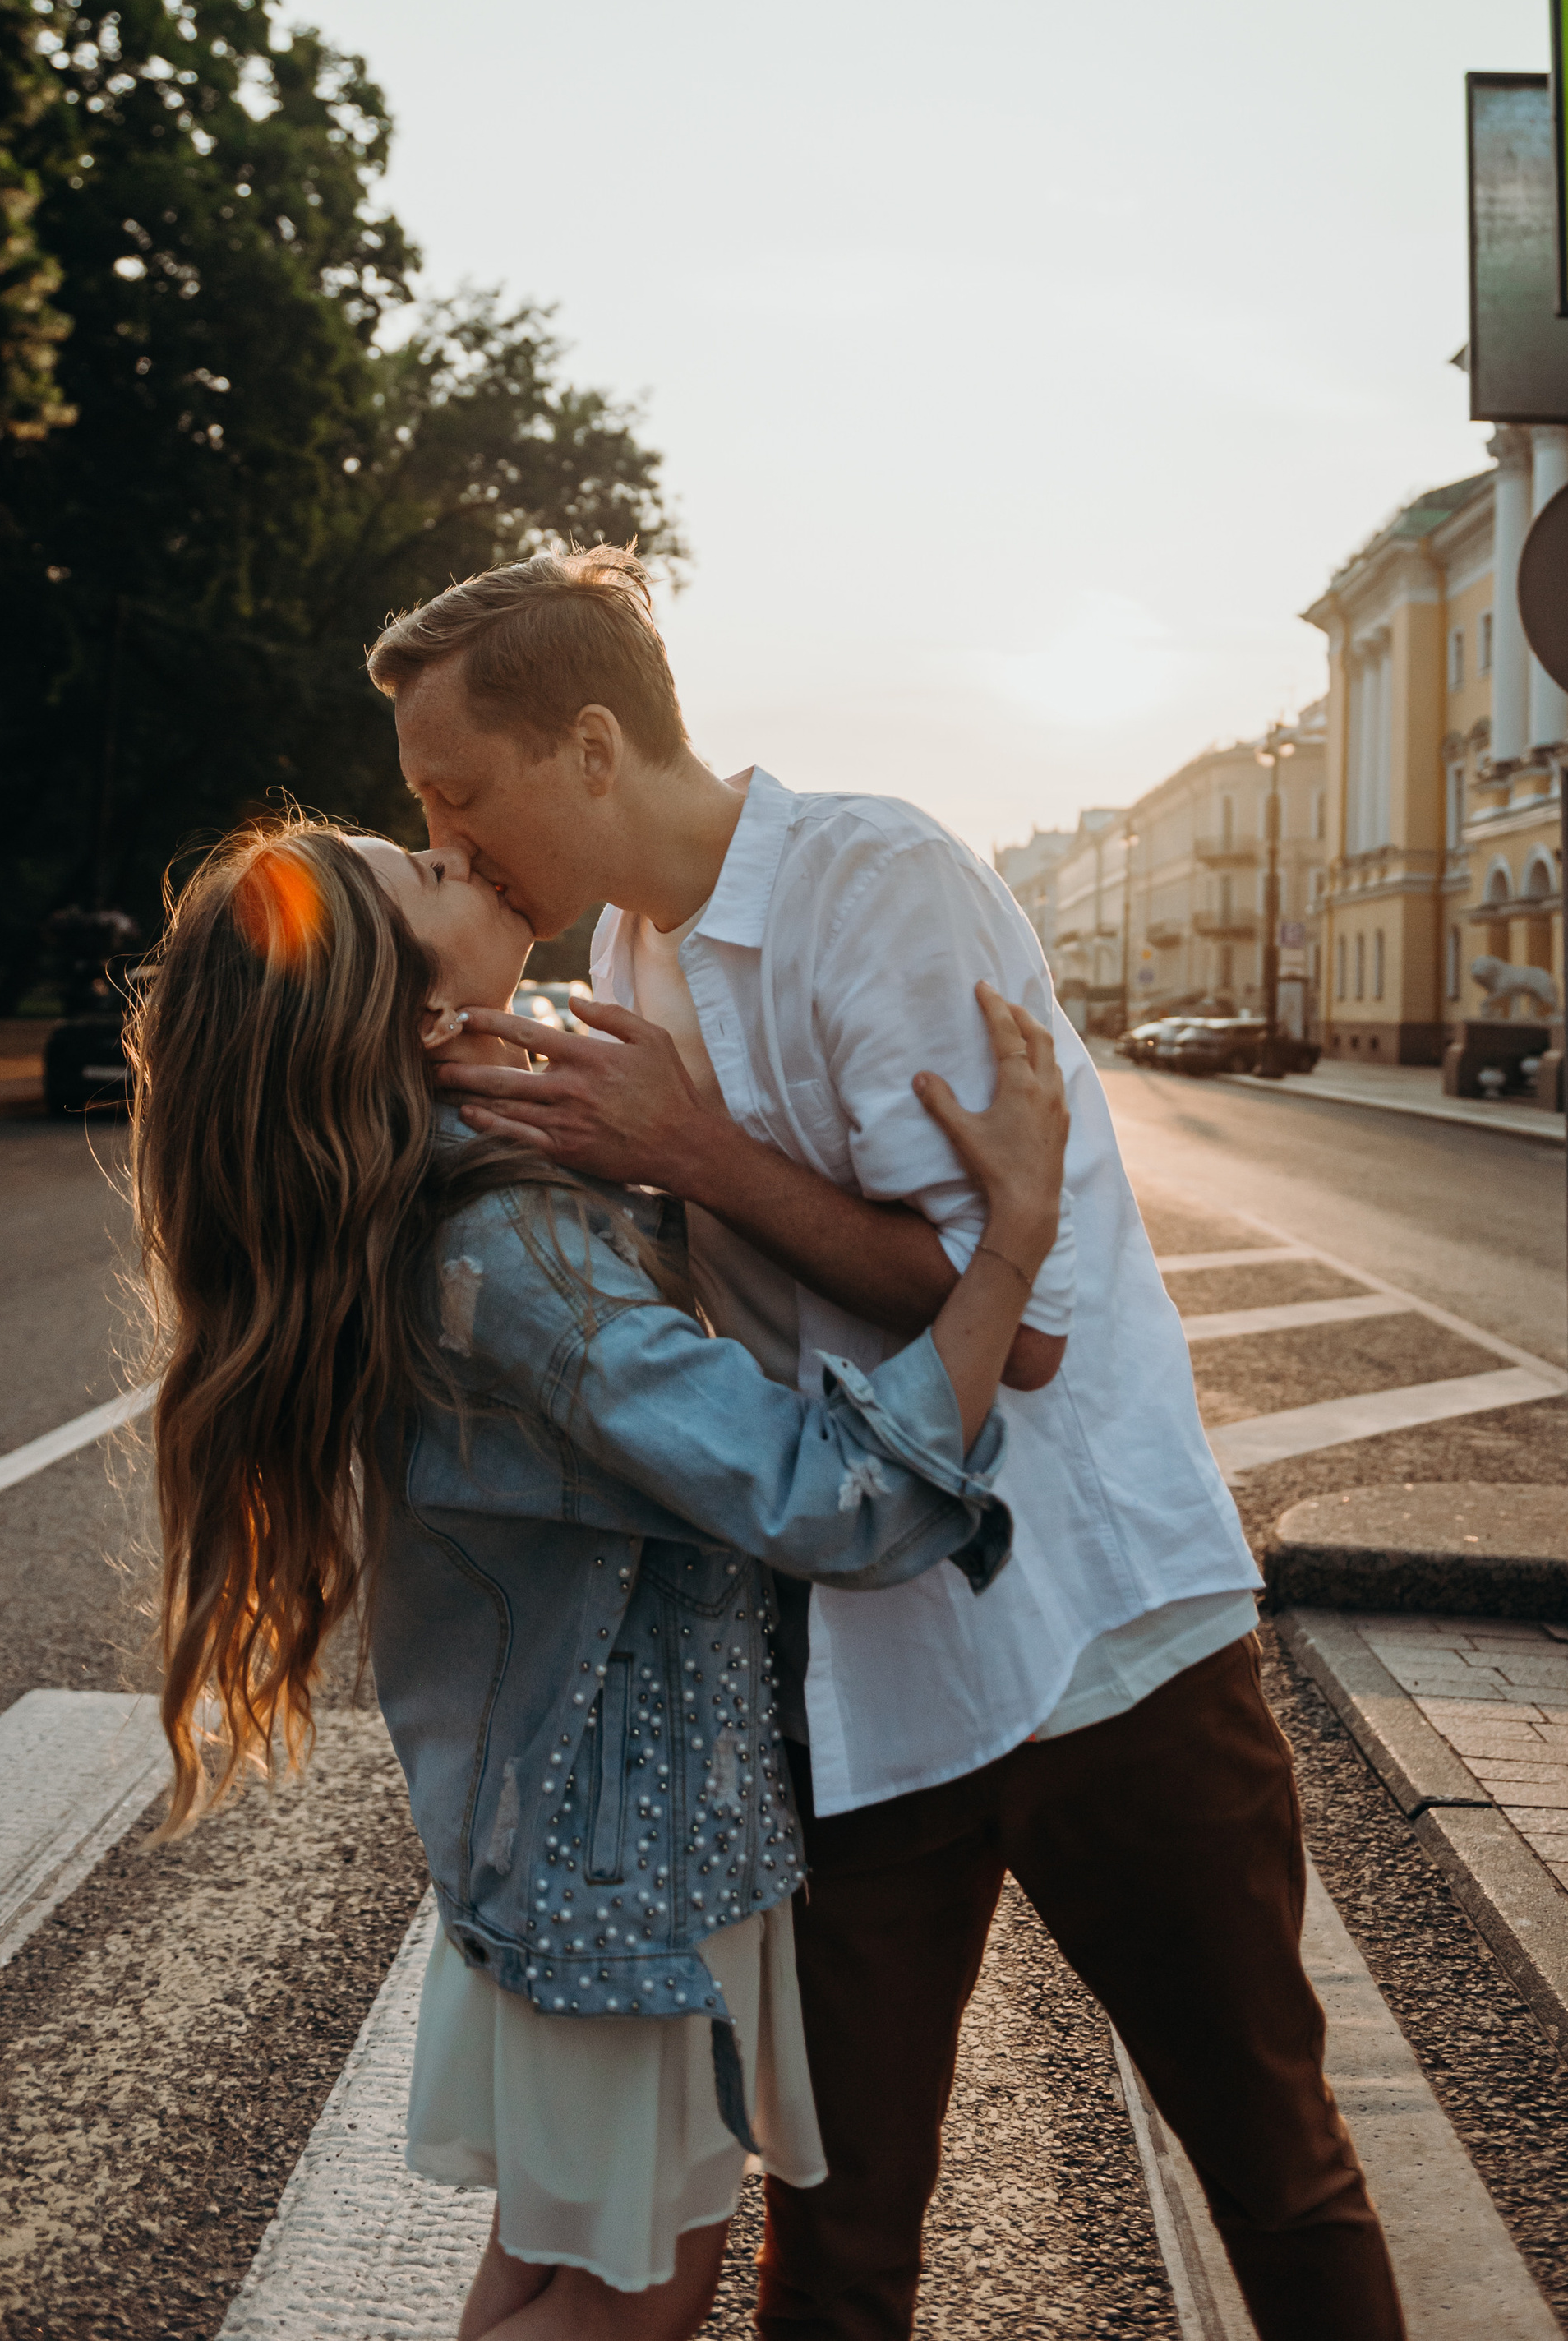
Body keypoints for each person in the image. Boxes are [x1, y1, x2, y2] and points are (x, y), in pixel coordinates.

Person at [369, 546, 1407, 2341]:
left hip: (1095, 1648)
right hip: (852, 1671)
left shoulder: (879, 886)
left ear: (593, 749)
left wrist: (687, 1155)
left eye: (461, 795)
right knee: (834, 2247)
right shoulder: (628, 947)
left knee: (1275, 2171)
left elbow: (1025, 1327)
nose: (453, 845)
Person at [129, 810, 1069, 2341]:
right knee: (628, 2305)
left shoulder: (456, 1198)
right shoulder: (509, 1260)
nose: (455, 851)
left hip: (586, 1853)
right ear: (423, 1019)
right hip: (627, 1874)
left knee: (554, 2271)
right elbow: (827, 1494)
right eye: (422, 874)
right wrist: (1011, 1241)